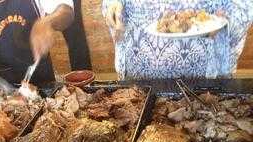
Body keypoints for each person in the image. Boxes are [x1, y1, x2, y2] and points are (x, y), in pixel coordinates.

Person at [102, 0, 253, 79]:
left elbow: (245, 6)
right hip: (138, 76)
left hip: (206, 77)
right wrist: (113, 3)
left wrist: (224, 21)